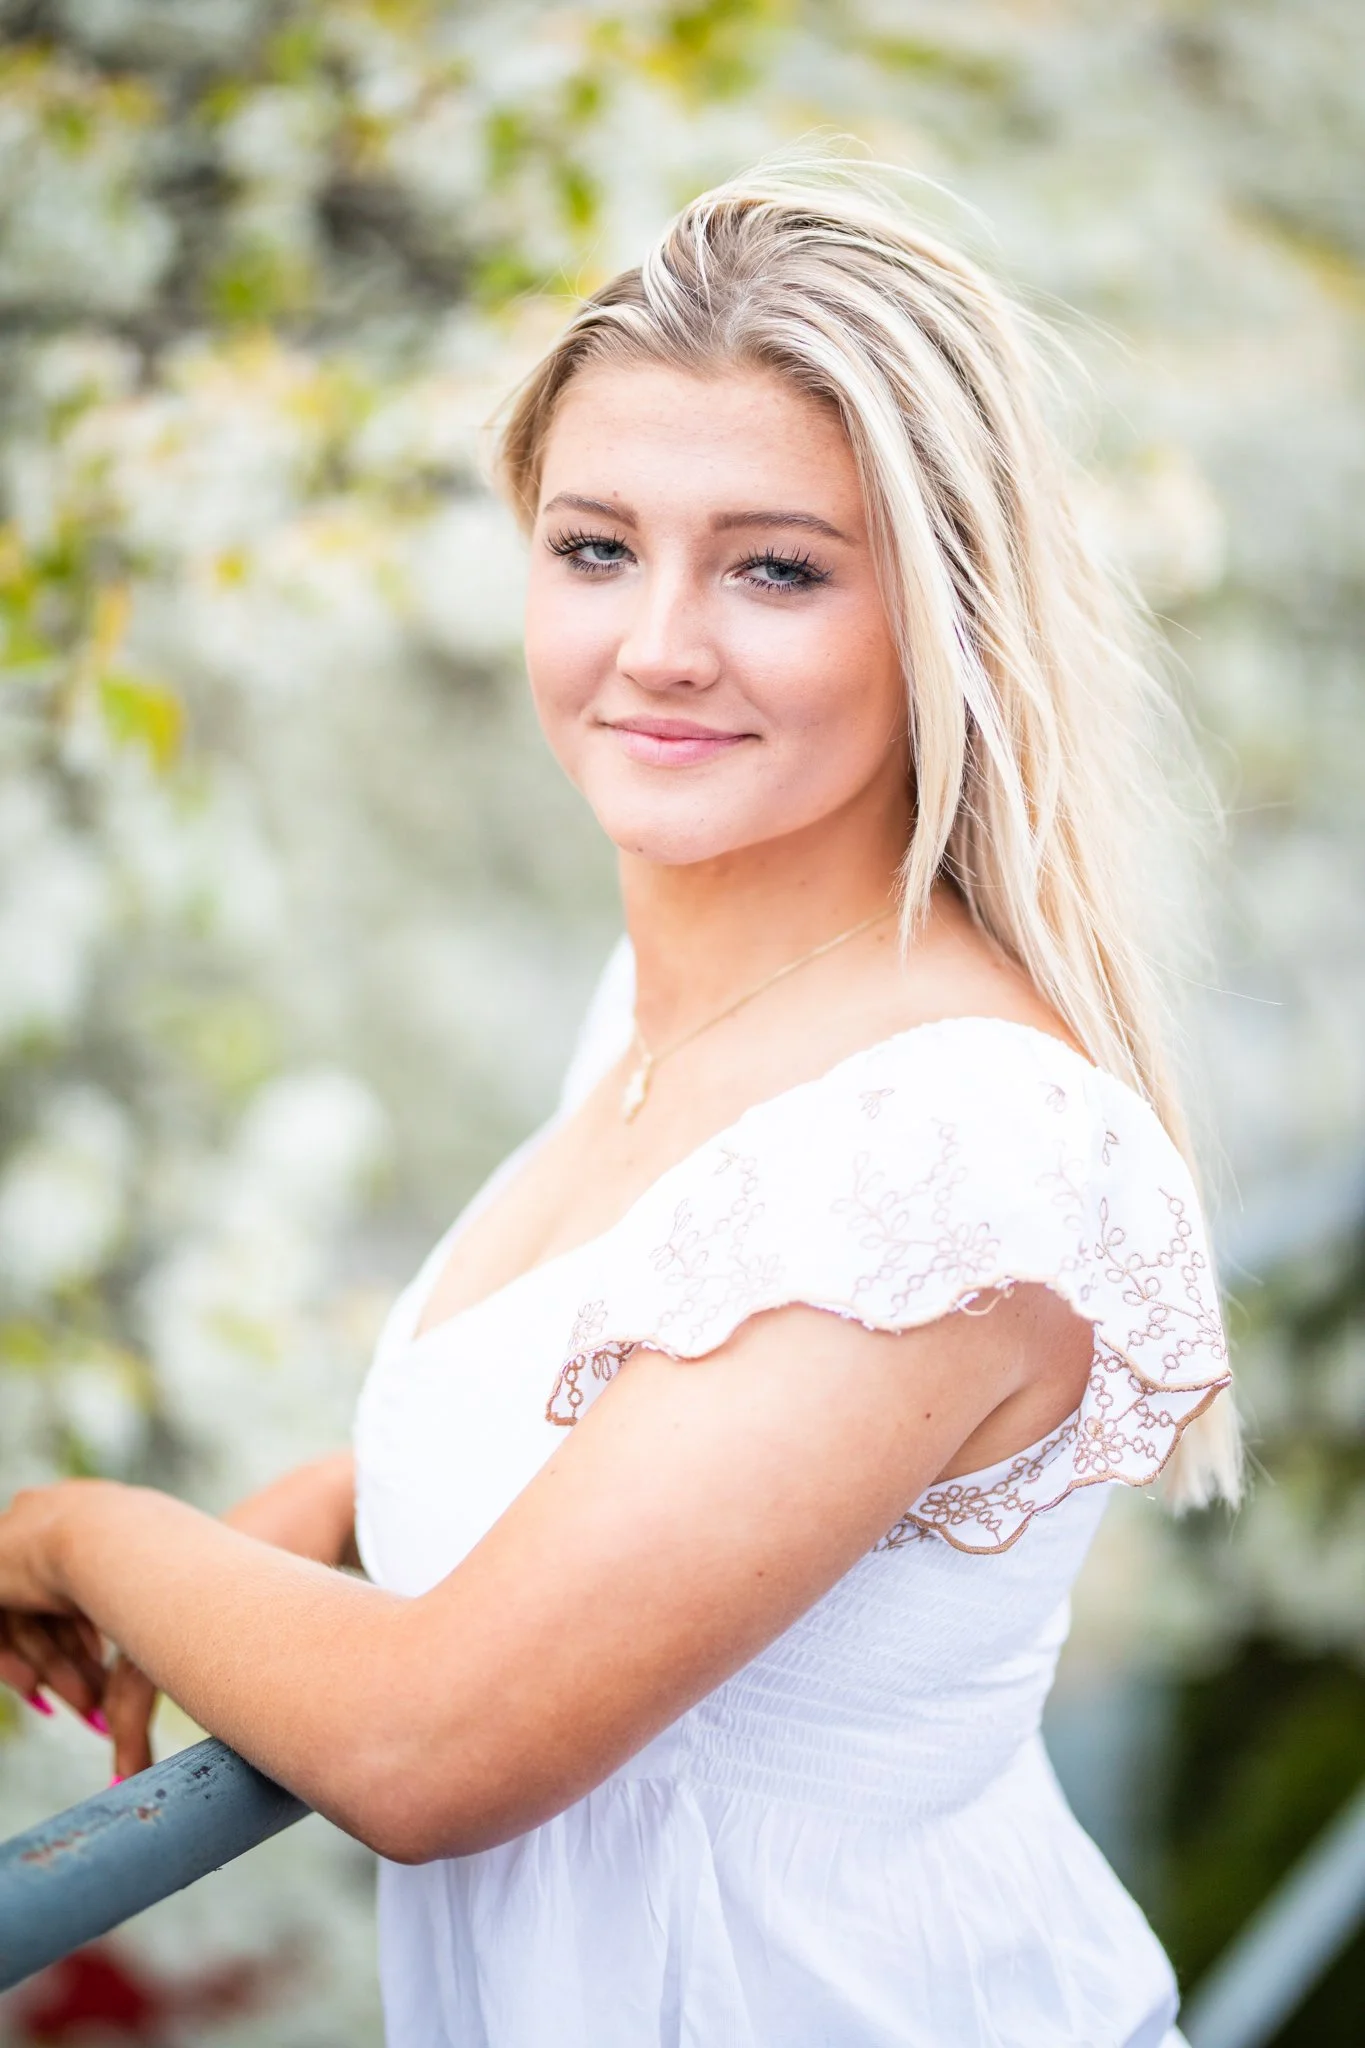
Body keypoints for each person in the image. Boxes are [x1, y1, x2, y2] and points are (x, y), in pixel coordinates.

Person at [0, 162, 1239, 2047]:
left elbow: (432, 1748)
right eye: (595, 548)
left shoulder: (954, 1152)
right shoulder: (671, 1015)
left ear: (948, 619)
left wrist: (84, 1534)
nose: (659, 641)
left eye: (777, 566)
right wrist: (349, 1498)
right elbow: (625, 1405)